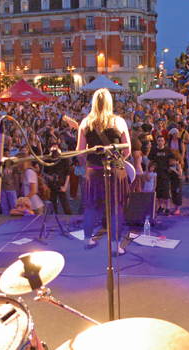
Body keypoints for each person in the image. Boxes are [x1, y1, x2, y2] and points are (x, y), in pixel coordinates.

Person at [76, 88, 131, 254]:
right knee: (116, 207)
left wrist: (89, 163)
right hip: (114, 170)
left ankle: (87, 240)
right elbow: (127, 150)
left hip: (94, 171)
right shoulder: (118, 121)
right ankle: (115, 245)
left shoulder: (85, 123)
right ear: (110, 103)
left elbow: (80, 152)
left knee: (91, 206)